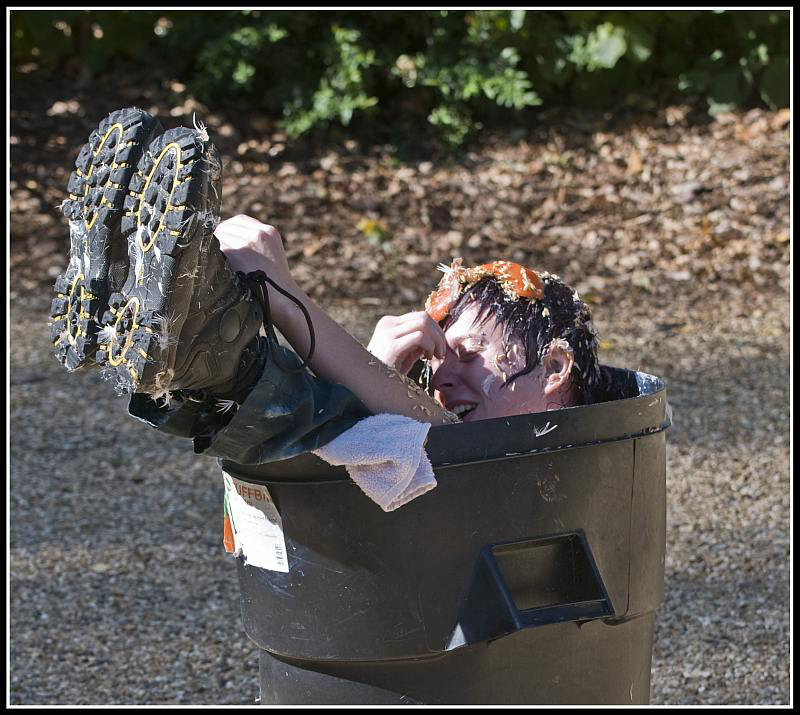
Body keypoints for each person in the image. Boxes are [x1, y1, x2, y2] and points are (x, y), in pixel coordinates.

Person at [50, 107, 602, 466]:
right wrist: (374, 371)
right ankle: (197, 349)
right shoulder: (439, 447)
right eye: (437, 366)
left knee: (379, 441)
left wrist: (285, 298)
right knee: (356, 438)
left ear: (554, 368)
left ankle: (209, 347)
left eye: (469, 355)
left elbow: (452, 448)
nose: (443, 380)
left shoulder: (569, 456)